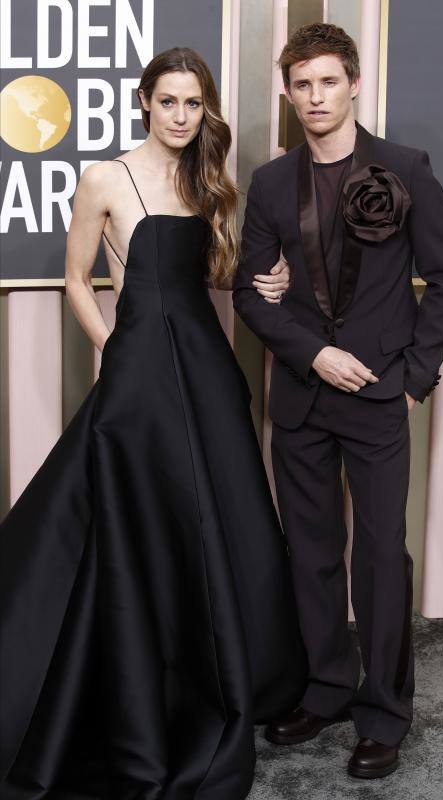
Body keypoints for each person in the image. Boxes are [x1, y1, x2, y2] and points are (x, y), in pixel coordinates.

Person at [0, 47, 307, 800]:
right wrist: (109, 345)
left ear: (204, 110)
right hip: (139, 365)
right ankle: (141, 678)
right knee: (144, 513)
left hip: (205, 363)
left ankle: (243, 669)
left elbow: (201, 277)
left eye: (192, 104)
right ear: (143, 102)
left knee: (226, 507)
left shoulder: (204, 180)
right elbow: (77, 277)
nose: (180, 115)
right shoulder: (105, 176)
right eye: (167, 101)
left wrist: (263, 278)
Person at [233, 22, 443, 779]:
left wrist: (413, 378)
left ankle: (384, 711)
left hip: (377, 399)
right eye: (301, 84)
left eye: (328, 81)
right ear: (289, 92)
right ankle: (328, 686)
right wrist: (313, 353)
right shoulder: (269, 184)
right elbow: (251, 295)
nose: (314, 96)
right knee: (311, 553)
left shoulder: (404, 168)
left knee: (379, 560)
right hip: (301, 397)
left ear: (354, 84)